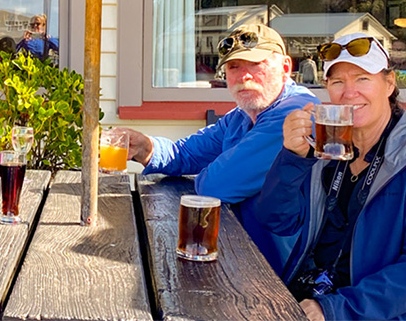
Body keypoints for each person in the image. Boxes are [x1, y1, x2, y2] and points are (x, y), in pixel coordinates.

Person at [255, 33, 406, 321]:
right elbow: (276, 219)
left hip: (378, 311)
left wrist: (335, 310)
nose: (349, 92)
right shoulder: (326, 149)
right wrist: (292, 157)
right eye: (337, 82)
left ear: (389, 83)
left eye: (362, 78)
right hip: (311, 298)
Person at [118, 24, 320, 273]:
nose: (244, 76)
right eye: (234, 67)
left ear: (286, 67)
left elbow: (215, 185)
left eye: (255, 64)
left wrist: (210, 171)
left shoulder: (297, 111)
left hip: (285, 275)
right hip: (241, 253)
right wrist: (142, 146)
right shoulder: (241, 116)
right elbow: (186, 153)